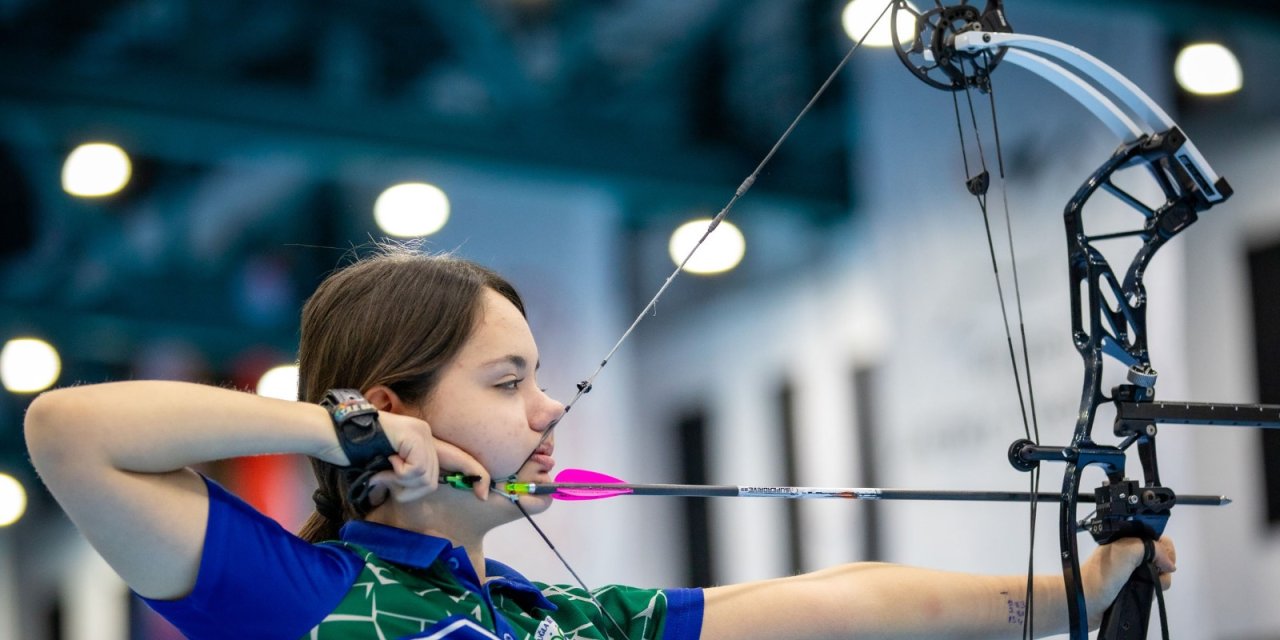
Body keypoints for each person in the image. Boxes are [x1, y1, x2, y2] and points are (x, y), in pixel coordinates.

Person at [24, 247, 1176, 640]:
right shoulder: (300, 594)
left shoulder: (565, 616)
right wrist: (338, 429)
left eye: (541, 382)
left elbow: (839, 599)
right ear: (396, 401)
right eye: (508, 379)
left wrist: (1067, 591)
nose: (545, 414)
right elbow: (69, 430)